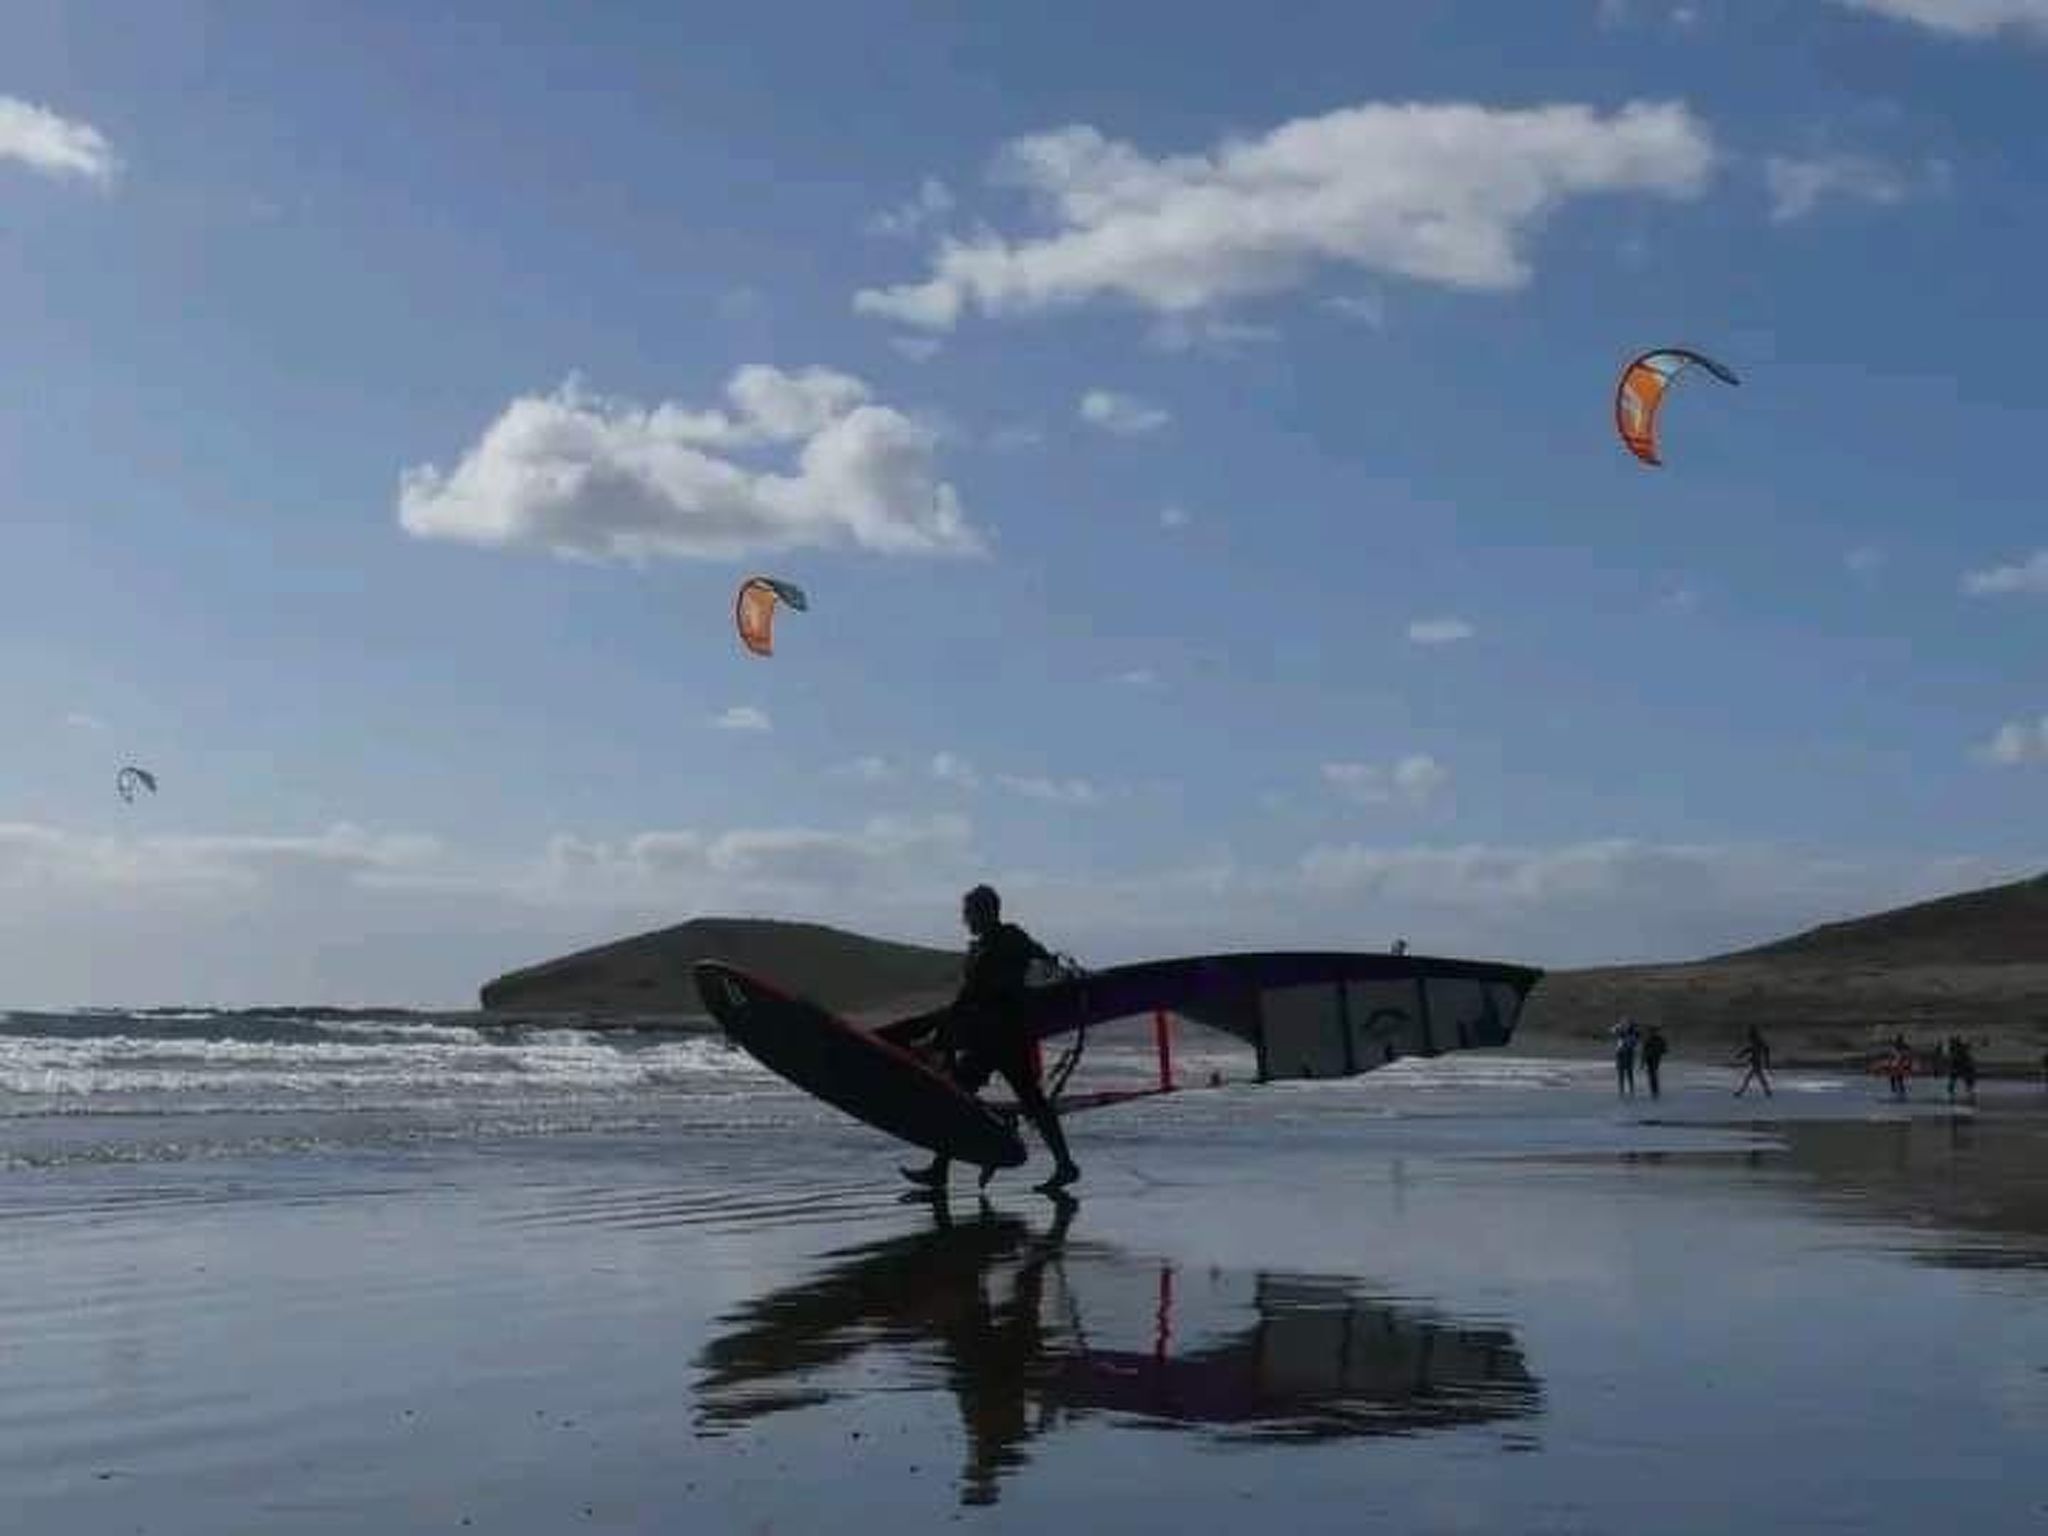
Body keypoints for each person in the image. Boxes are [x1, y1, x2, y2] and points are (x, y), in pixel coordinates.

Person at [899, 885, 1082, 1196]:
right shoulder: (987, 945)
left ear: (984, 912)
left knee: (1007, 1101)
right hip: (988, 1038)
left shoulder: (1010, 938)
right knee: (965, 1100)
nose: (964, 919)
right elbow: (966, 1000)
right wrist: (939, 1037)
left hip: (1005, 1038)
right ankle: (941, 1169)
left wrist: (1065, 974)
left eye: (968, 912)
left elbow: (1043, 961)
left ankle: (1063, 1165)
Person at [1733, 1025, 1773, 1098]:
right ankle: (1768, 1092)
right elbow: (1750, 1049)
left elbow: (1754, 1049)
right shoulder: (1756, 1041)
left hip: (1756, 1062)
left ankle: (1741, 1092)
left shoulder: (1757, 1041)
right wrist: (1741, 1054)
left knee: (1750, 1078)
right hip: (1755, 1062)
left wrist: (1741, 1055)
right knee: (1758, 1078)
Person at [1612, 1017, 1641, 1098]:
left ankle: (1631, 1089)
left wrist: (1633, 1033)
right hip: (1621, 1053)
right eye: (1624, 1024)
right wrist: (1618, 1026)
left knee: (1629, 1073)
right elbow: (1612, 1030)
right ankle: (1621, 1089)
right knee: (1621, 1073)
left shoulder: (1633, 1033)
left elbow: (1635, 1040)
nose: (1625, 1026)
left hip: (1628, 1053)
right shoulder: (1620, 1031)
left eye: (1626, 1024)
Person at [1642, 1024, 1669, 1100]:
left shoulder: (1649, 1039)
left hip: (1651, 1058)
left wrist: (1642, 1062)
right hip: (1653, 1058)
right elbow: (1665, 1050)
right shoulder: (1658, 1039)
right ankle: (1655, 1090)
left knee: (1652, 1074)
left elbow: (1644, 1051)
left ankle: (1654, 1090)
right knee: (1653, 1074)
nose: (1652, 1033)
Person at [1883, 1033, 1913, 1101]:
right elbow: (1908, 1051)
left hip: (1898, 1063)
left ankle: (1898, 1090)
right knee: (1896, 1077)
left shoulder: (1899, 1046)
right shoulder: (1899, 1046)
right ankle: (1898, 1090)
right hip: (1898, 1063)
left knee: (1897, 1077)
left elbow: (1907, 1052)